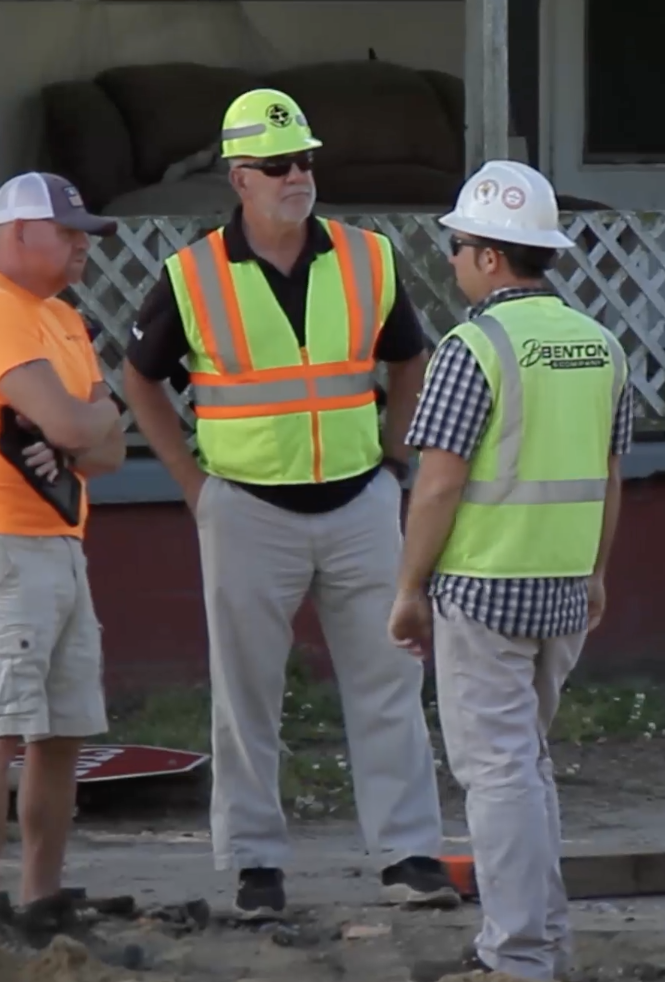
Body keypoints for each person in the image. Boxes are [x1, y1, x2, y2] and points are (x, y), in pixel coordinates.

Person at [118, 88, 458, 918]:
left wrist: (394, 455)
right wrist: (194, 486)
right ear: (240, 177)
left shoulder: (366, 257)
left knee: (390, 679)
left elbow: (409, 356)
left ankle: (410, 853)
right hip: (247, 509)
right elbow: (139, 379)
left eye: (305, 160)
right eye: (278, 166)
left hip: (359, 502)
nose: (297, 176)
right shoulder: (192, 275)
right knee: (246, 695)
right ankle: (255, 865)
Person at [390, 160, 633, 982]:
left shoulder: (473, 347)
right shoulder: (600, 346)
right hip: (563, 587)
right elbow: (609, 474)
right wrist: (596, 573)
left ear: (492, 257)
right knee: (525, 767)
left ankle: (518, 955)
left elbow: (440, 481)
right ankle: (544, 941)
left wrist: (407, 587)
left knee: (496, 774)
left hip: (481, 588)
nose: (452, 258)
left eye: (457, 245)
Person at [0, 172, 127, 930]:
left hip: (58, 539)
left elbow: (105, 452)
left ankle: (42, 894)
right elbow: (84, 430)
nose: (82, 245)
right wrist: (81, 421)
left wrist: (78, 427)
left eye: (85, 233)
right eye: (68, 231)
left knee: (62, 727)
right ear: (16, 235)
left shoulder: (63, 322)